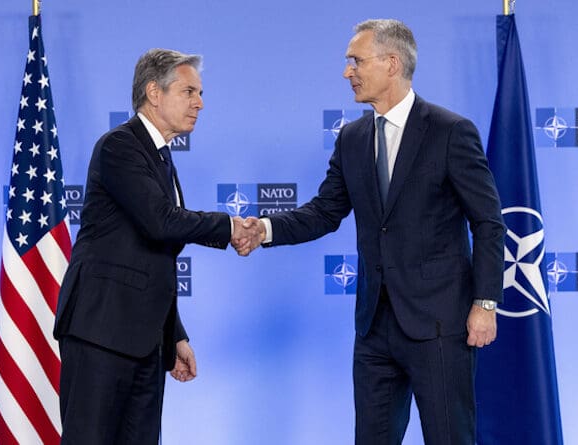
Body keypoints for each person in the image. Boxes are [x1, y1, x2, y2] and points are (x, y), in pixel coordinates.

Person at [238, 19, 506, 444]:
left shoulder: (450, 131)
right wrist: (265, 229)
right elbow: (325, 211)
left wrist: (486, 302)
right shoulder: (352, 138)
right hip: (374, 328)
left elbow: (489, 223)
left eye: (356, 61)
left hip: (440, 325)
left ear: (392, 63)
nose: (348, 72)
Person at [54, 48, 259, 445]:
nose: (200, 103)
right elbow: (160, 222)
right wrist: (229, 225)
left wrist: (175, 335)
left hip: (144, 340)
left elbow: (152, 259)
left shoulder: (162, 158)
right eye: (190, 91)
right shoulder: (120, 147)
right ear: (154, 92)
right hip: (101, 331)